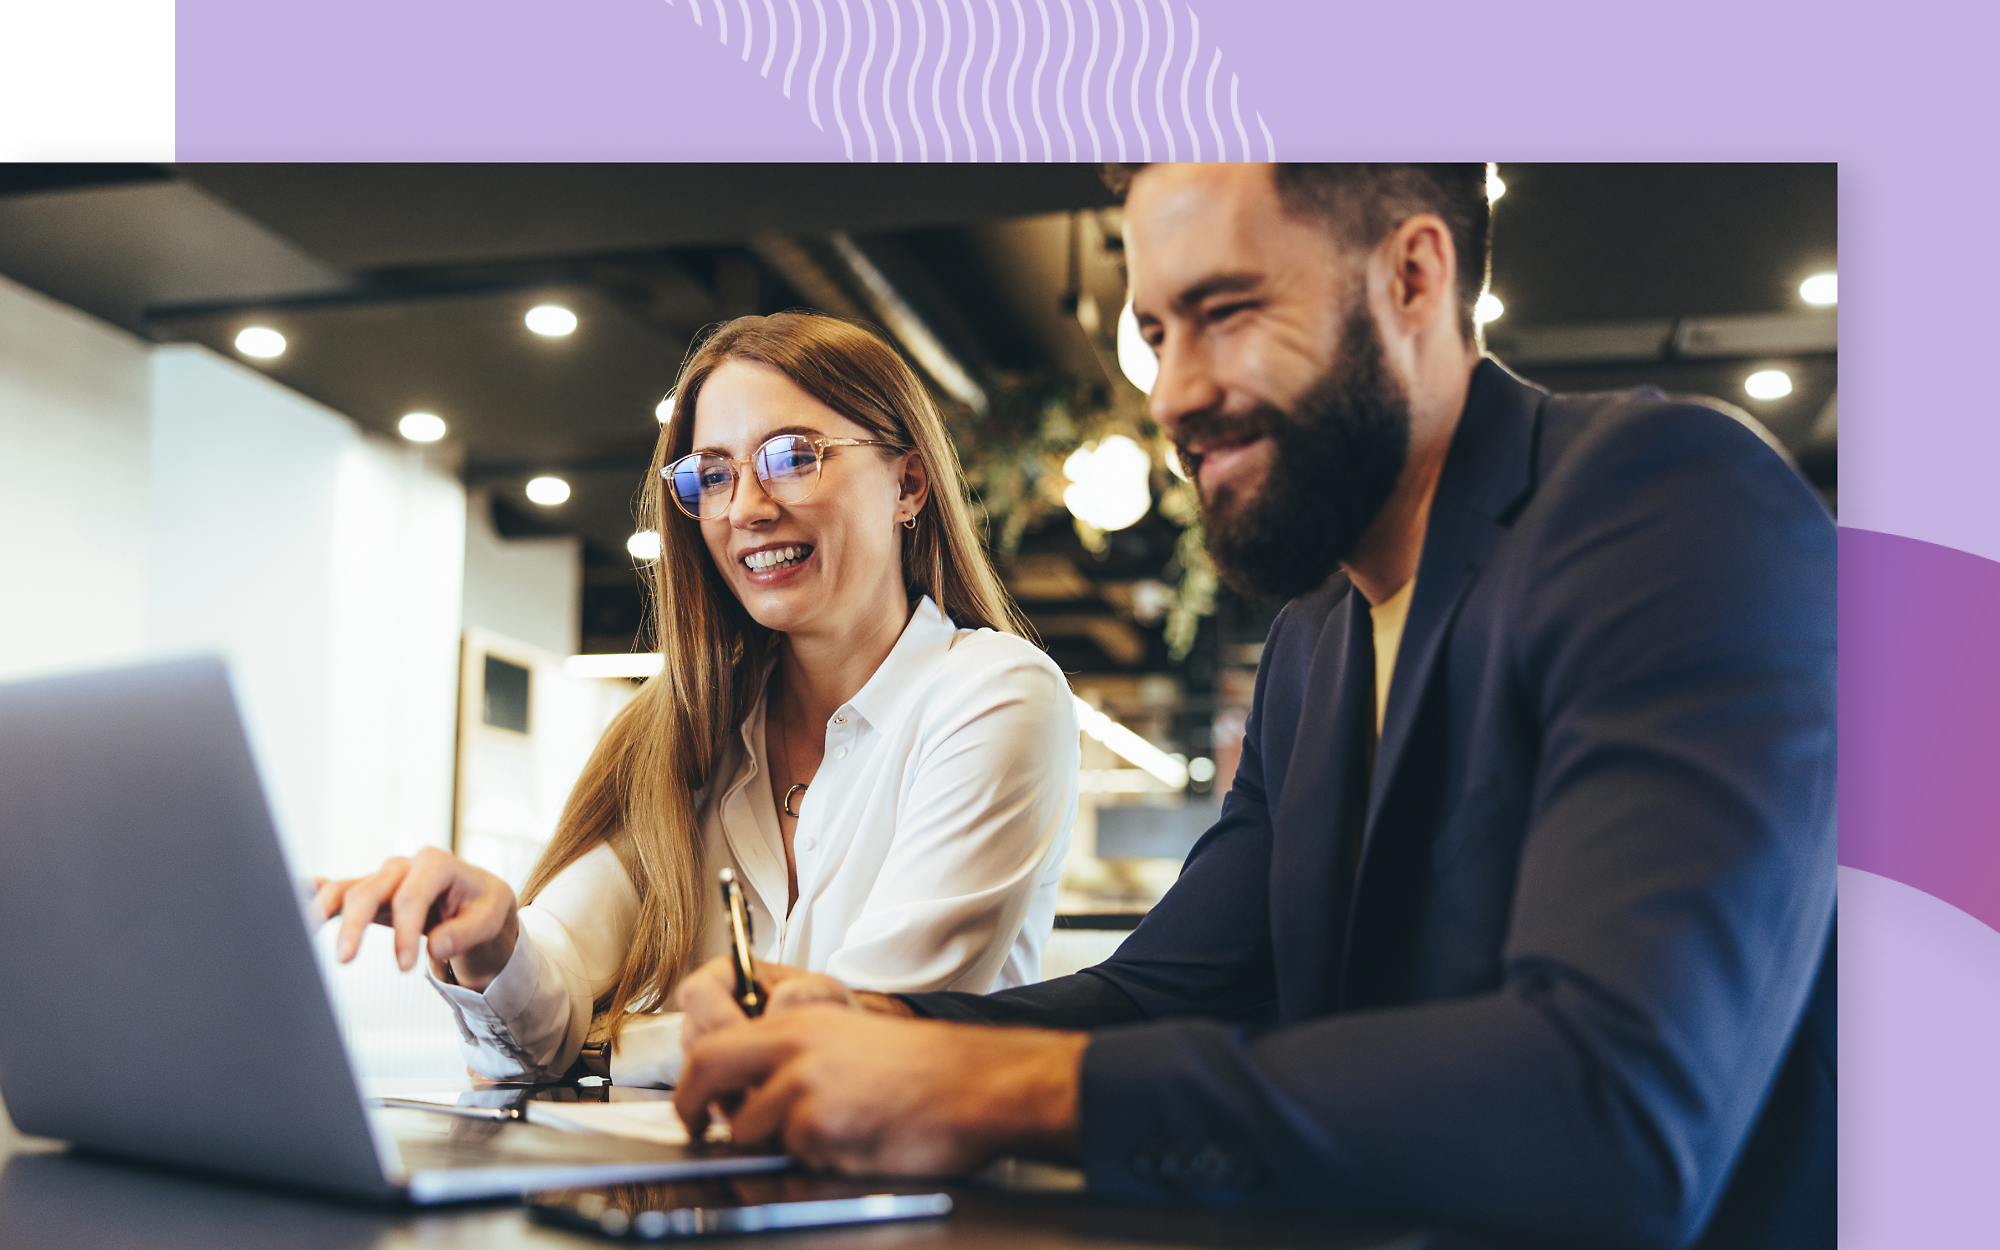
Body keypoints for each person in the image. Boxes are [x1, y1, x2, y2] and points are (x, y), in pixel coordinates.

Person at [670, 165, 1836, 1250]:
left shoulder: (1668, 502)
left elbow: (1614, 1106)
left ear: (1411, 277)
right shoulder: (1315, 636)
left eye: (1223, 311)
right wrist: (874, 1020)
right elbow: (1169, 989)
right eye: (1153, 334)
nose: (1173, 393)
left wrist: (998, 1091)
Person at [315, 312, 1078, 1086]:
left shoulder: (996, 695)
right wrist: (494, 943)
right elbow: (551, 988)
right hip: (707, 1199)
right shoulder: (688, 732)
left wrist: (607, 1048)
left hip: (925, 1200)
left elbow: (863, 1031)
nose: (746, 506)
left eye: (792, 457)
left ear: (907, 483)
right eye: (712, 474)